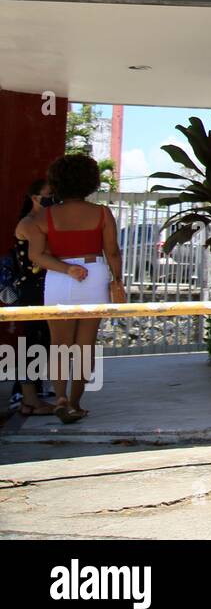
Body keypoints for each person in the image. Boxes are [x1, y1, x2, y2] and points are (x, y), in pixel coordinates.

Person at [25, 154, 124, 423]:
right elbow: (112, 252)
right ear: (90, 181)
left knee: (59, 345)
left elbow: (36, 255)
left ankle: (60, 398)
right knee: (85, 346)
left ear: (57, 182)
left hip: (58, 278)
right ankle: (76, 403)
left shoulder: (46, 216)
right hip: (94, 274)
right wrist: (118, 281)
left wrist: (66, 269)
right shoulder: (102, 213)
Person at [9, 179, 56, 416]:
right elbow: (41, 256)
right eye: (49, 195)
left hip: (43, 287)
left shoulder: (44, 222)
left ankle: (33, 394)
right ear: (34, 198)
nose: (53, 199)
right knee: (32, 341)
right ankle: (28, 398)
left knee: (43, 340)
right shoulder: (29, 224)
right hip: (33, 288)